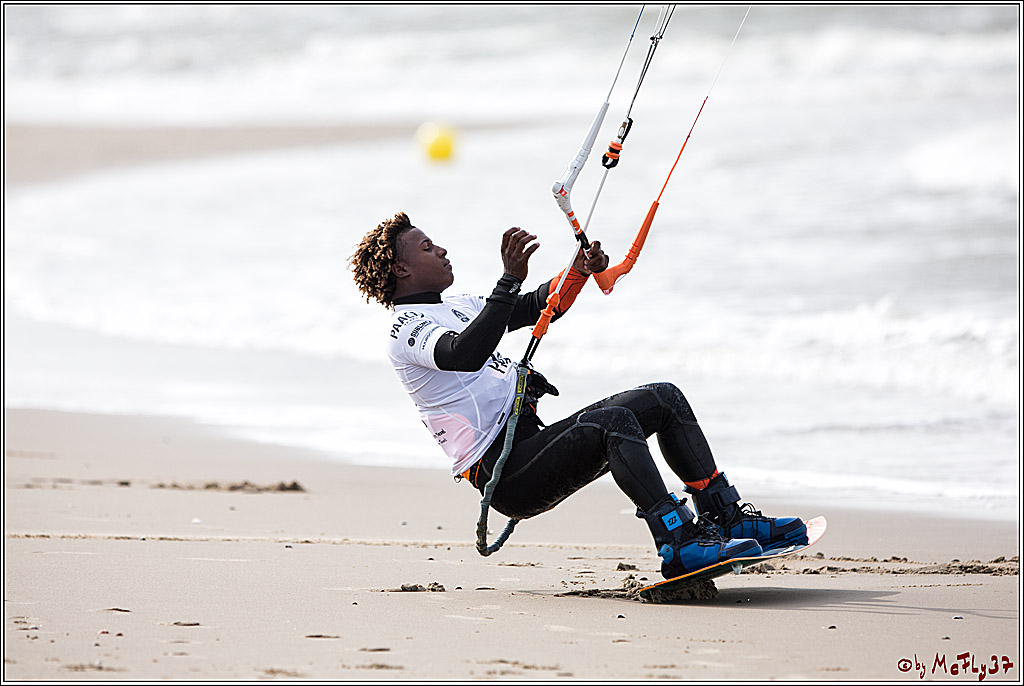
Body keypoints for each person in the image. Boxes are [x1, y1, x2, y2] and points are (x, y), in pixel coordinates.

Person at [349, 212, 807, 580]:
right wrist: (506, 281)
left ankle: (726, 515)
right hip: (507, 474)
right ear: (402, 268)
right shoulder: (404, 330)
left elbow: (538, 307)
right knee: (614, 423)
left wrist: (578, 271)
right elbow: (466, 353)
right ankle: (679, 542)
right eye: (428, 247)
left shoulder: (460, 304)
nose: (442, 249)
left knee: (663, 398)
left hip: (532, 444)